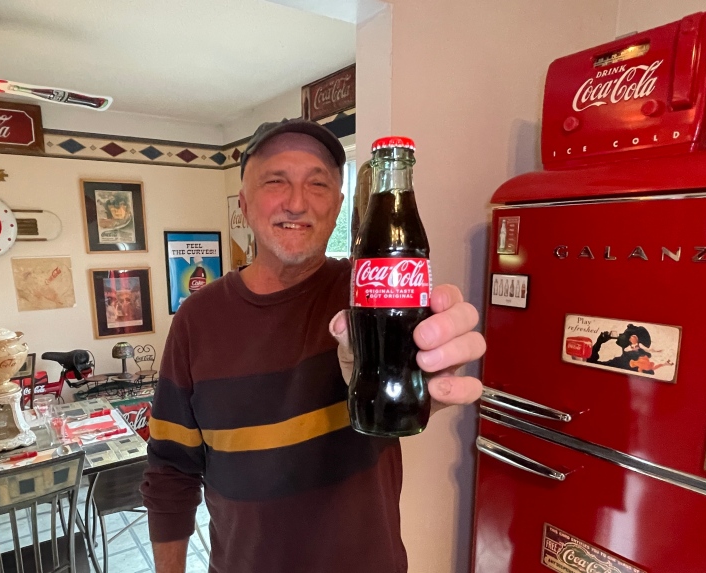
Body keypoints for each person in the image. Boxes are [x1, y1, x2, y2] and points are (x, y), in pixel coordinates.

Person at [140, 118, 485, 573]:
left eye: (317, 184)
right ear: (244, 205)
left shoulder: (370, 295)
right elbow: (171, 470)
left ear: (338, 207)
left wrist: (425, 380)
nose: (297, 202)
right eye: (275, 180)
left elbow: (403, 382)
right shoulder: (196, 319)